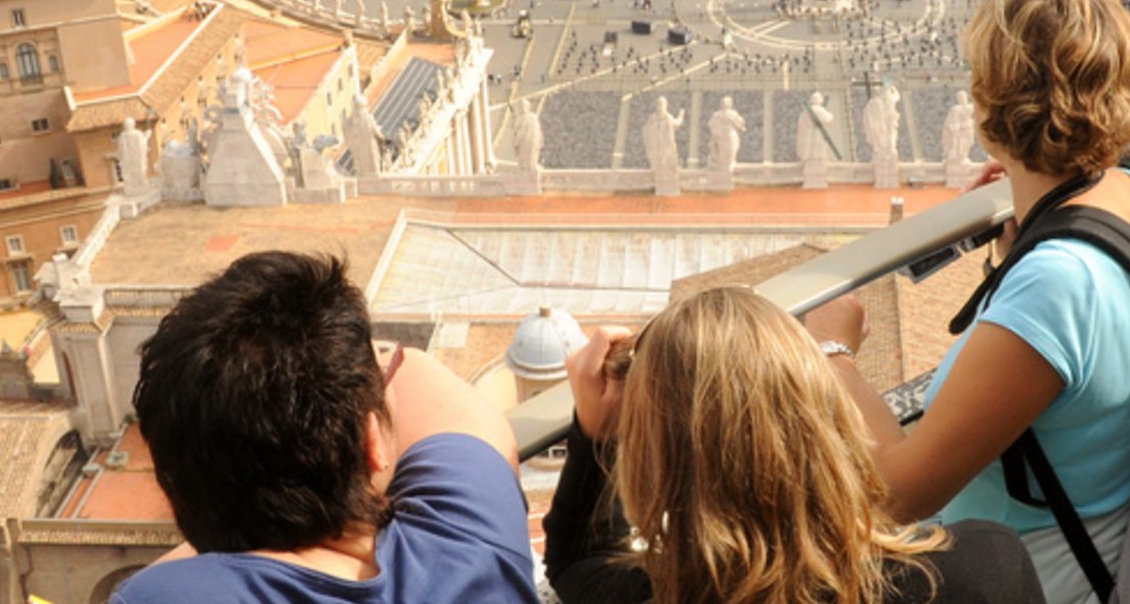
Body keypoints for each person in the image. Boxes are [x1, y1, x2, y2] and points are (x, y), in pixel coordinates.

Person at [805, 0, 1130, 603]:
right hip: (1110, 539)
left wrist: (831, 353)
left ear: (987, 108)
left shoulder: (1057, 284)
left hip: (1039, 581)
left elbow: (898, 495)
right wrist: (1026, 239)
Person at [543, 286, 1043, 604]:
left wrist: (599, 433)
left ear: (659, 468)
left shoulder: (660, 595)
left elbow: (575, 563)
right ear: (826, 420)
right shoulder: (982, 570)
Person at [111, 251, 536, 604]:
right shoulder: (473, 545)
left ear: (173, 490)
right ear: (372, 443)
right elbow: (418, 374)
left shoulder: (162, 596)